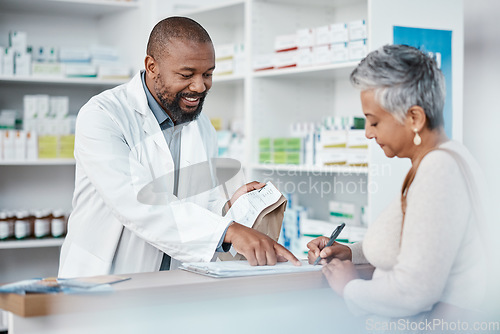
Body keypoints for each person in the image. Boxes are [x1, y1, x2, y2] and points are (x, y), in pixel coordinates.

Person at [59, 16, 299, 278]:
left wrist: (229, 206)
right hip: (103, 278)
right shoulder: (103, 115)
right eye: (186, 75)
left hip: (172, 280)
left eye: (208, 74)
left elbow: (198, 200)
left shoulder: (200, 125)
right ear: (152, 66)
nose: (200, 86)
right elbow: (137, 200)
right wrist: (227, 231)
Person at [307, 44, 489, 319]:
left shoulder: (440, 169)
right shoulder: (439, 160)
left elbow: (414, 290)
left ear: (414, 117)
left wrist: (350, 287)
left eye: (374, 122)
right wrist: (350, 254)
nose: (368, 133)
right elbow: (417, 246)